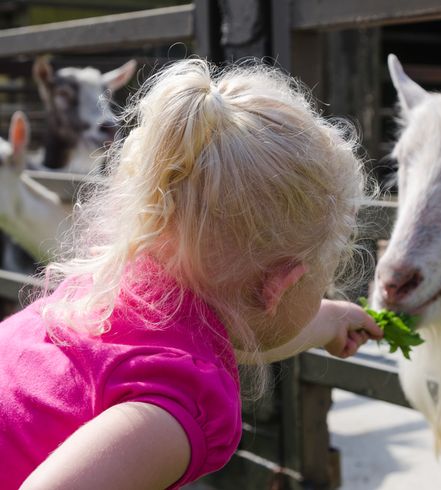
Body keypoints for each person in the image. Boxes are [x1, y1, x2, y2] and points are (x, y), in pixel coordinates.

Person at [0, 58, 382, 489]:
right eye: (323, 277)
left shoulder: (112, 290)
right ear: (282, 286)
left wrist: (329, 320)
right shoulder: (172, 415)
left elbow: (228, 330)